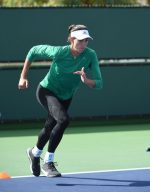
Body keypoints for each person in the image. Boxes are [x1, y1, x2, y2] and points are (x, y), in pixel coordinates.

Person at [18, 24, 103, 178]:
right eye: (80, 40)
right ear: (71, 39)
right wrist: (23, 76)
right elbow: (33, 50)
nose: (84, 44)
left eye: (86, 41)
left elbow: (99, 83)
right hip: (46, 91)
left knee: (50, 126)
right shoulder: (59, 51)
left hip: (66, 96)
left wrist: (86, 80)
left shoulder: (90, 55)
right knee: (63, 120)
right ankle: (48, 162)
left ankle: (34, 153)